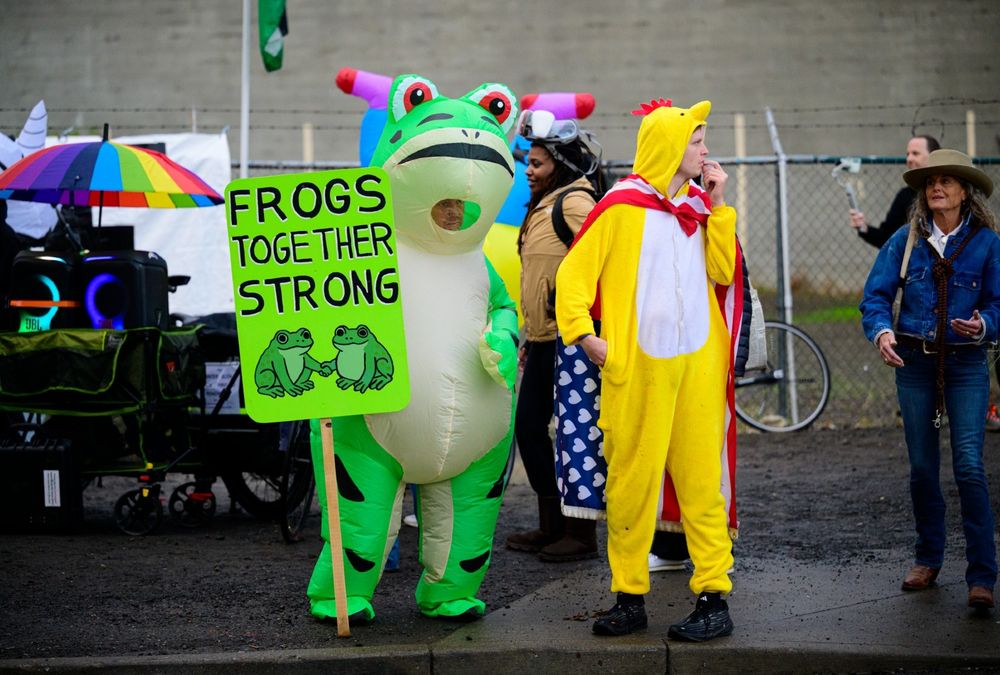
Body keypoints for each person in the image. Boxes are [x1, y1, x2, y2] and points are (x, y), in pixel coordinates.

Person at [556, 98, 740, 642]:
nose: (705, 150)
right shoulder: (619, 206)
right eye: (697, 141)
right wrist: (586, 338)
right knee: (632, 484)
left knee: (704, 487)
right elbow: (573, 275)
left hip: (698, 371)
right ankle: (629, 595)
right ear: (669, 147)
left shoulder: (698, 206)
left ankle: (713, 596)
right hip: (636, 372)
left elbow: (723, 269)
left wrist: (719, 204)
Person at [860, 148, 998, 612]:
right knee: (922, 468)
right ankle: (928, 557)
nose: (936, 187)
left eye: (947, 181)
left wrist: (983, 325)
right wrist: (881, 332)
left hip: (966, 365)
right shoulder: (905, 240)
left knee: (969, 467)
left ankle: (982, 576)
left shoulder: (987, 243)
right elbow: (875, 296)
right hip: (914, 364)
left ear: (965, 192)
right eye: (929, 182)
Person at [505, 110, 602, 562]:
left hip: (573, 340)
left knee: (573, 432)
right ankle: (553, 524)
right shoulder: (546, 201)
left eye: (537, 163)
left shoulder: (573, 202)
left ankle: (579, 535)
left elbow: (606, 263)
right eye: (528, 161)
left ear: (559, 164)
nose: (528, 169)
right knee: (530, 427)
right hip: (545, 338)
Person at [849, 135, 940, 248]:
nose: (909, 159)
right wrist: (863, 227)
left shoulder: (949, 193)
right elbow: (886, 238)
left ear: (933, 157)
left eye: (915, 153)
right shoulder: (905, 195)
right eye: (908, 154)